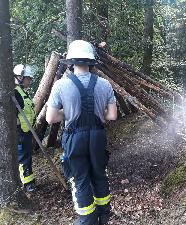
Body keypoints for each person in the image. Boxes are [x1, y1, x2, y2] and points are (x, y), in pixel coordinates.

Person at [46, 40, 117, 225]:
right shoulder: (105, 84)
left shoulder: (61, 85)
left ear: (70, 62)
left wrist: (68, 112)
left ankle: (86, 220)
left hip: (75, 137)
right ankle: (104, 216)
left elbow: (51, 118)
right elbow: (112, 116)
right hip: (98, 136)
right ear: (91, 62)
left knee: (80, 178)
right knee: (99, 174)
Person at [14, 64, 36, 192]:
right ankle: (27, 183)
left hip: (27, 131)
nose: (30, 80)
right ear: (20, 77)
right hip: (20, 132)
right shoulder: (15, 93)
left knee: (27, 155)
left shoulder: (21, 92)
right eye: (28, 78)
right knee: (23, 157)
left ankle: (30, 179)